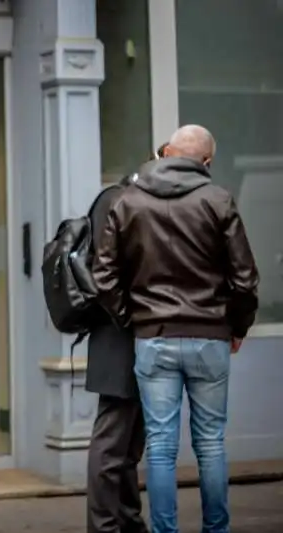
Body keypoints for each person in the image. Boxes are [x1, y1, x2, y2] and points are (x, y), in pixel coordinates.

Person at [92, 125, 259, 533]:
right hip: (210, 337)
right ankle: (215, 529)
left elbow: (104, 276)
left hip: (153, 338)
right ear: (206, 162)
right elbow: (245, 278)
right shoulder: (219, 201)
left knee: (162, 449)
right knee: (210, 444)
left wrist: (133, 320)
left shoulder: (128, 202)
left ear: (167, 152)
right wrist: (236, 326)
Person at [85, 144, 167, 533]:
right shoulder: (118, 202)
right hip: (119, 339)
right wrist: (130, 320)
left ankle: (129, 521)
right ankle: (104, 526)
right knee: (112, 442)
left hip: (127, 334)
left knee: (130, 442)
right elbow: (108, 277)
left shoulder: (124, 200)